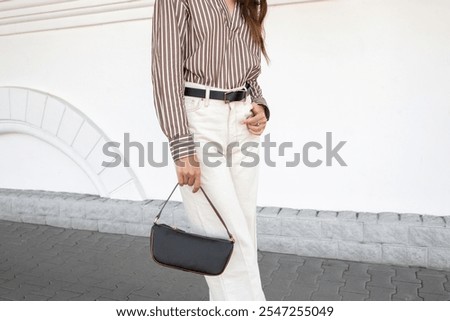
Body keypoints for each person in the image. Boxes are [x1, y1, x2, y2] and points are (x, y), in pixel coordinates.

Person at [151, 0, 270, 301]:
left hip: (243, 121)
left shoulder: (249, 3)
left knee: (243, 233)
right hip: (200, 120)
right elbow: (165, 69)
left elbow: (251, 73)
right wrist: (181, 144)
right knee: (224, 237)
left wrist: (261, 105)